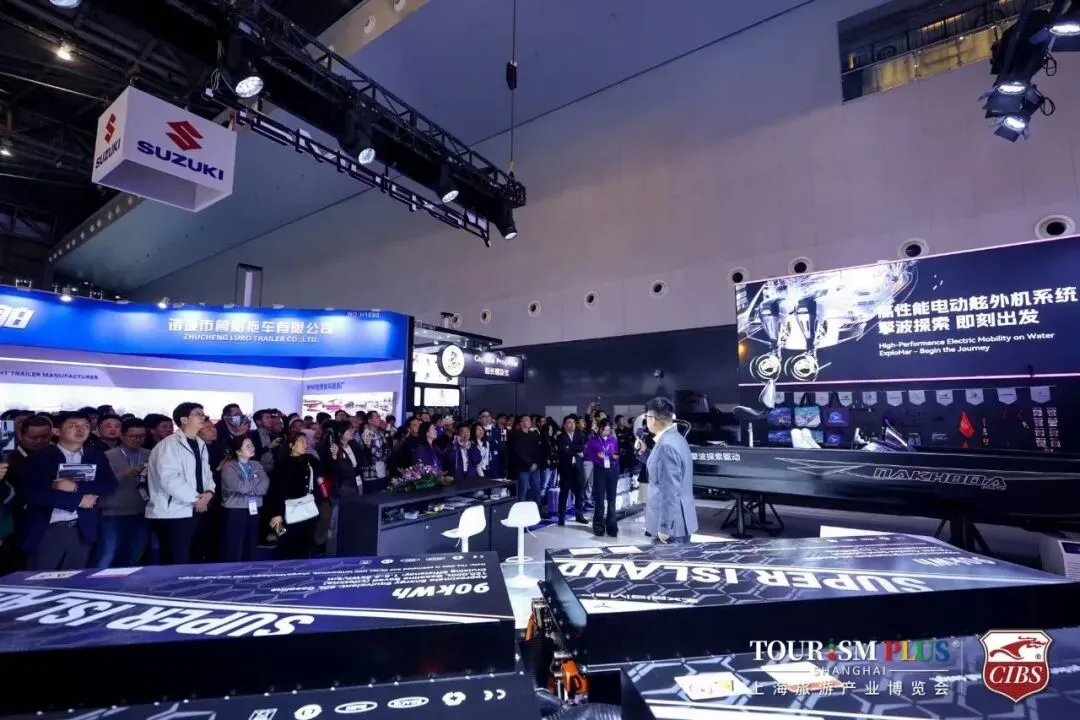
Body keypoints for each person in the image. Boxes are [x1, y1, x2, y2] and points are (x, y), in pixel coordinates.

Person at [20, 411, 117, 570]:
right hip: (48, 528)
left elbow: (109, 484)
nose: (81, 430)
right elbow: (34, 493)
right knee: (41, 577)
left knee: (75, 576)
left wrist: (76, 487)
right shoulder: (39, 458)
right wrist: (78, 500)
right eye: (73, 426)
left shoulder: (96, 456)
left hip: (83, 527)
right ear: (56, 431)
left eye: (86, 426)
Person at [145, 402, 215, 565]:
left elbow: (207, 474)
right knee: (176, 559)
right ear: (184, 419)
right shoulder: (168, 444)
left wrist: (209, 493)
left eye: (203, 414)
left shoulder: (200, 443)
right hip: (173, 511)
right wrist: (195, 499)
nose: (203, 417)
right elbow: (169, 478)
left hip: (197, 508)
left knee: (195, 556)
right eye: (198, 414)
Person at [94, 418, 151, 568]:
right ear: (122, 435)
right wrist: (125, 474)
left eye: (141, 436)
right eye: (132, 436)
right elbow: (101, 482)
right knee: (108, 554)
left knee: (135, 552)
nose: (137, 440)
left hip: (142, 511)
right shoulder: (107, 456)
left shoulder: (149, 454)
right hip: (113, 512)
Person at [643, 397, 698, 543]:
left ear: (653, 419)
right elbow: (659, 468)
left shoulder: (666, 446)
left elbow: (669, 490)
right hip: (679, 520)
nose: (646, 421)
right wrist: (643, 453)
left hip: (671, 528)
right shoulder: (676, 438)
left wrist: (665, 527)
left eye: (647, 417)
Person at [267, 432, 320, 560]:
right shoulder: (283, 464)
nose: (305, 444)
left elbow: (325, 469)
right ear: (291, 445)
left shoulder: (309, 460)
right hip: (290, 508)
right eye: (301, 441)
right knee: (289, 542)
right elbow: (277, 490)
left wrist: (334, 456)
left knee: (306, 541)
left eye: (305, 441)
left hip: (308, 507)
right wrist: (277, 513)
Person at [219, 435, 270, 562]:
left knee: (251, 543)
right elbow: (239, 486)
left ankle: (249, 568)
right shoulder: (229, 467)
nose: (252, 448)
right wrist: (255, 482)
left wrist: (250, 486)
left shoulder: (256, 464)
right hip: (235, 510)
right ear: (238, 451)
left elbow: (264, 486)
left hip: (254, 509)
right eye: (248, 446)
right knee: (235, 546)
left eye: (252, 445)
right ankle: (233, 570)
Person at [585, 419, 620, 537]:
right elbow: (588, 455)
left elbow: (617, 453)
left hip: (612, 470)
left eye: (608, 430)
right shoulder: (593, 441)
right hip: (600, 470)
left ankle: (612, 526)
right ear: (599, 429)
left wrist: (615, 456)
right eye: (604, 430)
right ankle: (598, 526)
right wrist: (597, 456)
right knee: (599, 498)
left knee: (612, 499)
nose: (606, 432)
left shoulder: (613, 439)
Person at [555, 415, 587, 526]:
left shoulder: (580, 434)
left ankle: (579, 515)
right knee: (564, 493)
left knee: (580, 493)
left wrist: (570, 447)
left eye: (573, 422)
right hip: (566, 469)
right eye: (569, 422)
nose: (572, 424)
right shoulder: (560, 437)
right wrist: (576, 450)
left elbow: (582, 447)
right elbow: (563, 450)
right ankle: (561, 517)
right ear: (564, 425)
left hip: (578, 468)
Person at [510, 415, 543, 504]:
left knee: (537, 490)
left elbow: (538, 450)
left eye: (530, 420)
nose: (530, 422)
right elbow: (518, 451)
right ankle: (520, 510)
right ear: (521, 423)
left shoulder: (534, 434)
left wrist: (535, 463)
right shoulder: (516, 435)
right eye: (527, 420)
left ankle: (537, 509)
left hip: (535, 467)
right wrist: (530, 463)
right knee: (522, 491)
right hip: (522, 467)